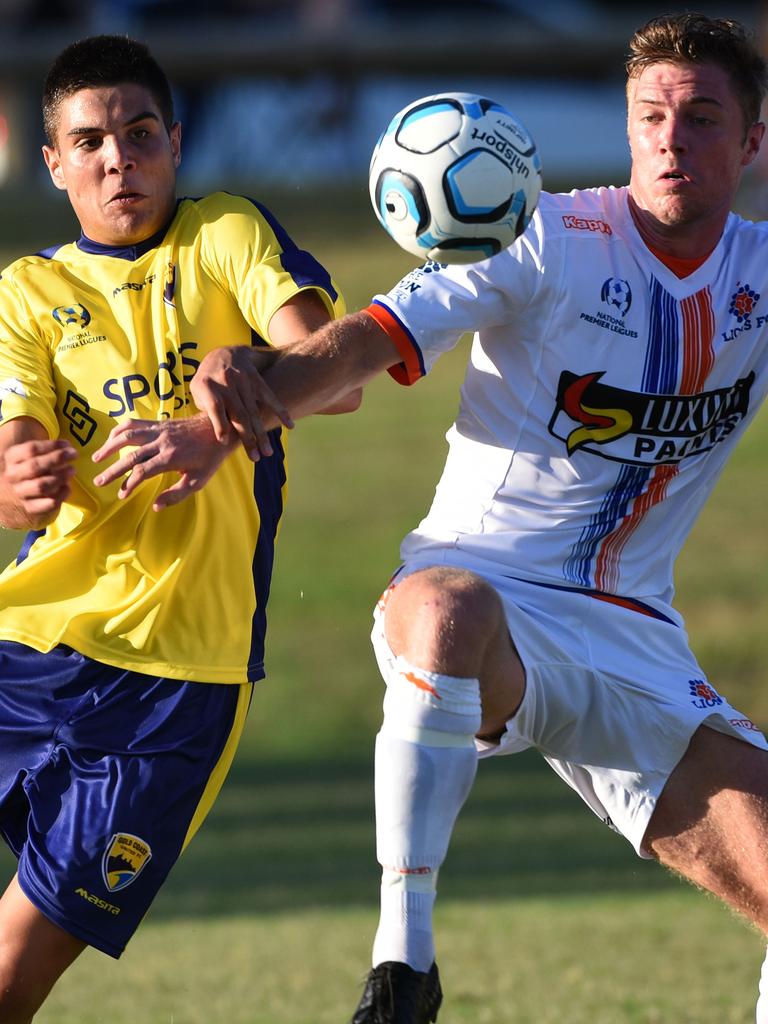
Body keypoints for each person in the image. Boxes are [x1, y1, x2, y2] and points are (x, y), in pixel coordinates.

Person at [95, 11, 768, 1024]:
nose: (672, 138)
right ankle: (403, 967)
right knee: (444, 606)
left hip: (637, 638)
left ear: (754, 141)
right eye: (652, 116)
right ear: (628, 131)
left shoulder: (759, 275)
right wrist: (253, 398)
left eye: (704, 117)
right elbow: (370, 338)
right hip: (484, 600)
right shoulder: (538, 234)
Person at [0, 33, 354, 1022]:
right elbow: (12, 466)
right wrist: (16, 481)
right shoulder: (28, 291)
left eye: (140, 133)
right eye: (92, 141)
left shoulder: (224, 233)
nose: (120, 158)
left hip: (175, 682)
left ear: (176, 142)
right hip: (29, 636)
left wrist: (219, 421)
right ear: (55, 162)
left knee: (13, 973)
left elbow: (337, 372)